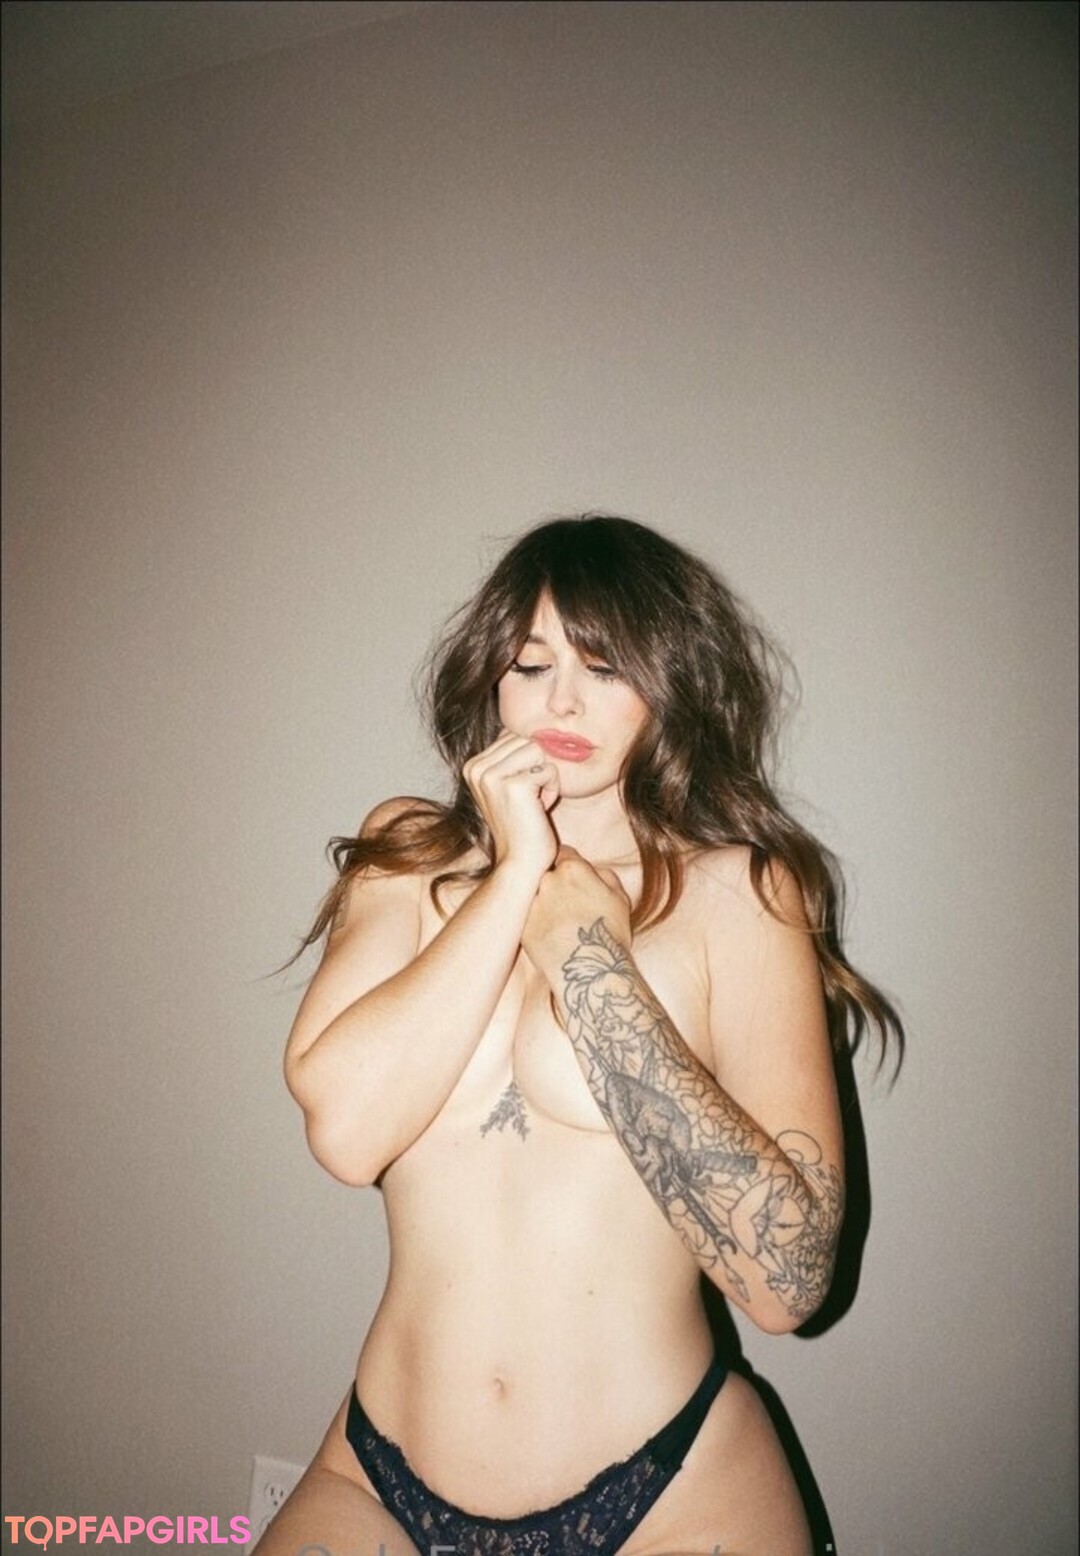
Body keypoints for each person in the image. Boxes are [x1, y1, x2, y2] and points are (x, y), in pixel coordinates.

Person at [260, 514, 901, 1556]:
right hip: (377, 1473)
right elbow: (345, 1132)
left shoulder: (741, 893)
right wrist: (517, 873)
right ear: (493, 679)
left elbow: (786, 1283)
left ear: (669, 684)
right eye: (533, 663)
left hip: (671, 1489)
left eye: (604, 667)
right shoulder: (407, 856)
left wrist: (588, 960)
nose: (562, 700)